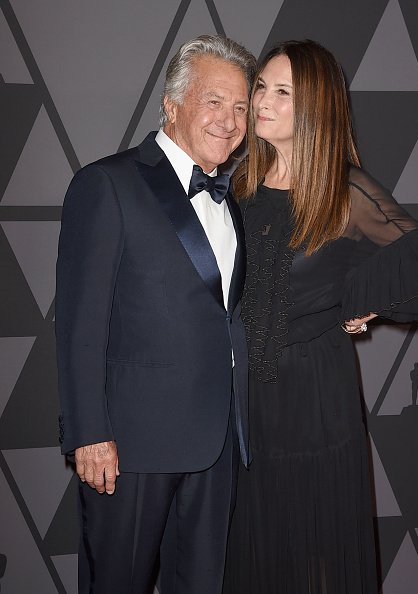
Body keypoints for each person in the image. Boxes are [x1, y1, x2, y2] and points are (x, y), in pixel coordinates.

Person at [222, 40, 418, 594]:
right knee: (251, 558)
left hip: (314, 401)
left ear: (316, 107)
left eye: (283, 92)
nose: (262, 101)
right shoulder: (240, 184)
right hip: (244, 407)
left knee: (314, 557)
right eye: (262, 86)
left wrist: (364, 298)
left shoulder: (345, 190)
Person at [55, 35, 256, 594]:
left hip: (214, 441)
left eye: (240, 106)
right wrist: (88, 431)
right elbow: (78, 322)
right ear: (172, 105)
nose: (231, 119)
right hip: (130, 446)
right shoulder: (107, 184)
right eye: (214, 101)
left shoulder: (229, 199)